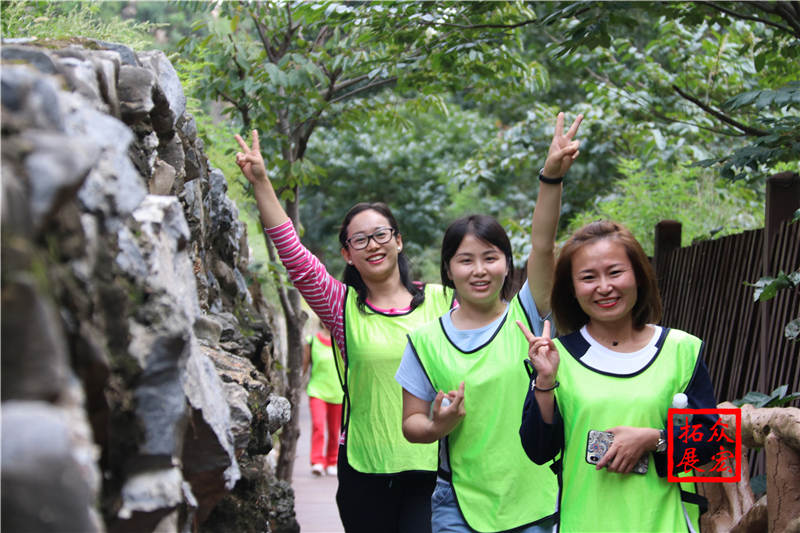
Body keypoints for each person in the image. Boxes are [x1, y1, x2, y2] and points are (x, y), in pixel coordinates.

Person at [234, 131, 455, 533]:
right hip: (365, 470)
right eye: (359, 239)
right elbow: (294, 255)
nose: (373, 244)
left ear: (398, 241)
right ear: (347, 254)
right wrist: (262, 182)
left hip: (435, 470)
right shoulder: (342, 308)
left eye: (381, 234)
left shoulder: (443, 302)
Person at [397, 112, 583, 532]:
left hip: (534, 499)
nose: (479, 270)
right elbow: (412, 425)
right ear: (448, 269)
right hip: (459, 502)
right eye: (465, 260)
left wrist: (550, 178)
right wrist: (437, 424)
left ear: (507, 264)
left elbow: (543, 244)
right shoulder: (425, 342)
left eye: (490, 257)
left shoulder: (528, 314)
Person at [518, 220, 719, 533]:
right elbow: (537, 451)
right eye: (588, 277)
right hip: (582, 523)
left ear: (638, 275)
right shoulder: (556, 357)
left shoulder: (682, 350)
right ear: (571, 289)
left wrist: (655, 439)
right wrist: (544, 383)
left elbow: (715, 445)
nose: (604, 287)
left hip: (667, 524)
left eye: (615, 272)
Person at [302, 320, 342, 477]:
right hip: (317, 391)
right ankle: (317, 461)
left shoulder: (342, 341)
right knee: (318, 426)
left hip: (338, 392)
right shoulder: (312, 342)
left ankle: (332, 461)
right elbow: (304, 366)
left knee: (334, 431)